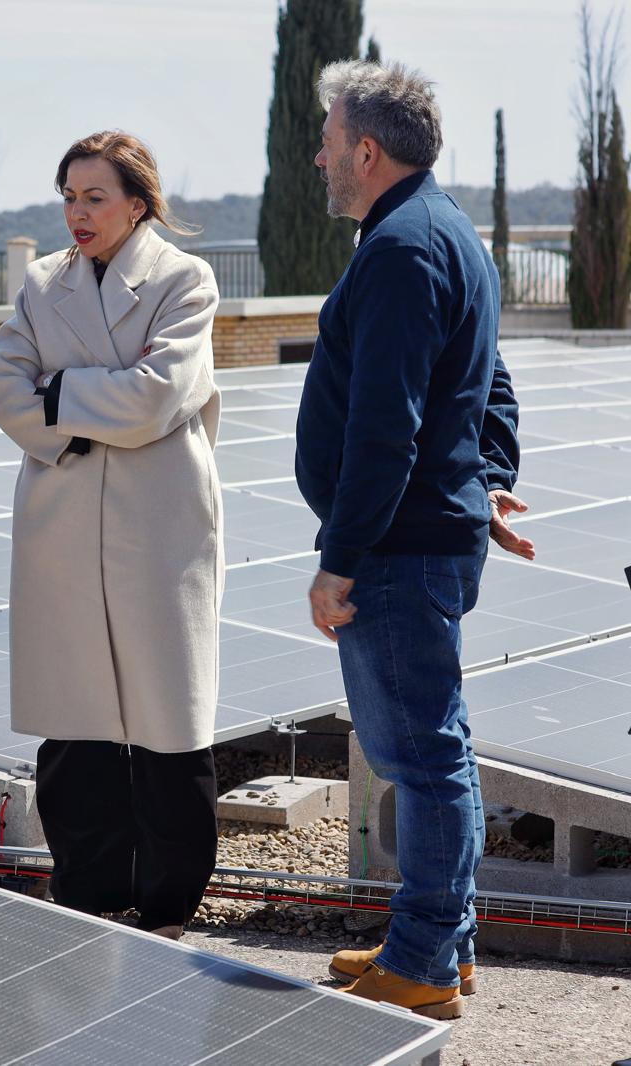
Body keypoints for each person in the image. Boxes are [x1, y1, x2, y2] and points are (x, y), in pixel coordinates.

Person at [297, 60, 530, 1019]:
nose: (318, 157)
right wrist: (491, 478)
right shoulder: (446, 233)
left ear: (365, 148)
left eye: (327, 140)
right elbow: (494, 388)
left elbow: (384, 427)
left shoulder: (398, 247)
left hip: (395, 549)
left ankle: (425, 967)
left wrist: (339, 559)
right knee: (439, 748)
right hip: (430, 532)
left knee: (424, 758)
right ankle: (440, 943)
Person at [0, 131, 223, 941]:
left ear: (137, 203)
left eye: (94, 196)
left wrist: (63, 399)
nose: (77, 212)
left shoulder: (184, 279)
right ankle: (86, 889)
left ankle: (167, 903)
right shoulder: (42, 282)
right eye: (68, 196)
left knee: (166, 716)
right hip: (61, 524)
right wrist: (87, 408)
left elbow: (159, 397)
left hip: (159, 524)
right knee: (75, 718)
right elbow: (7, 388)